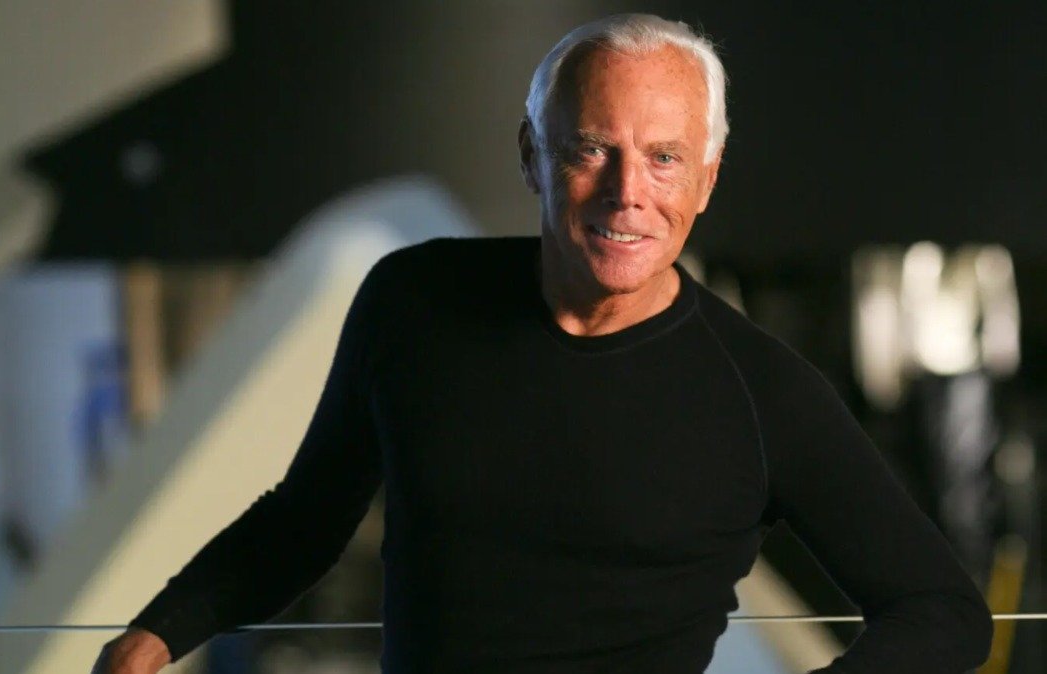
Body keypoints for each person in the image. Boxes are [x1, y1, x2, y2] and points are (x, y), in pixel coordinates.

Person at [94, 13, 993, 674]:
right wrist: (151, 638)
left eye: (665, 159)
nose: (627, 192)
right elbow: (302, 522)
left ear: (707, 180)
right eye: (591, 150)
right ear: (532, 155)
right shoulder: (412, 301)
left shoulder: (761, 391)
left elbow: (941, 611)